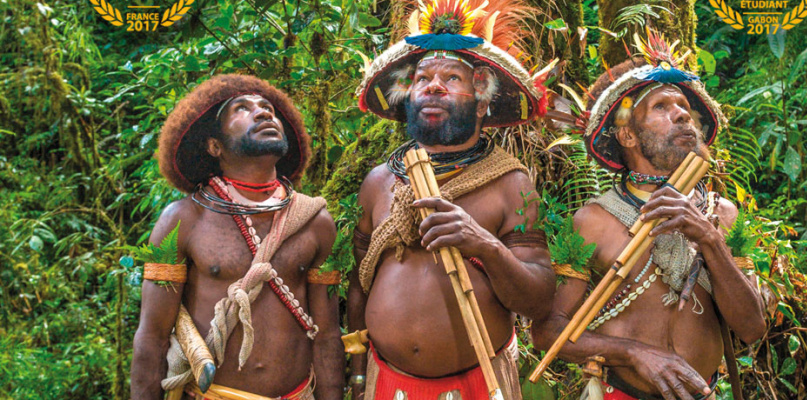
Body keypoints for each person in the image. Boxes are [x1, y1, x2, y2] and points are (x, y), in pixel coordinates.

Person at [532, 29, 767, 400]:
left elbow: (753, 328)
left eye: (685, 109)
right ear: (627, 136)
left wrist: (708, 238)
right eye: (661, 107)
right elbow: (548, 333)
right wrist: (635, 353)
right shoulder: (593, 220)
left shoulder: (721, 214)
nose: (682, 115)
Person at [347, 0, 556, 398]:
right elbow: (360, 283)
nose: (434, 85)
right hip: (385, 382)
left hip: (477, 384)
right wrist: (357, 376)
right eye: (422, 77)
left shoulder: (511, 182)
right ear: (407, 97)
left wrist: (484, 245)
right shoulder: (378, 182)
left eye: (452, 78)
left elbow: (539, 300)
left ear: (482, 102)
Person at [131, 74, 343, 400]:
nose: (263, 113)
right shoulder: (182, 219)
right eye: (242, 109)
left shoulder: (316, 221)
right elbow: (152, 336)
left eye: (268, 108)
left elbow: (327, 335)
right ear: (215, 146)